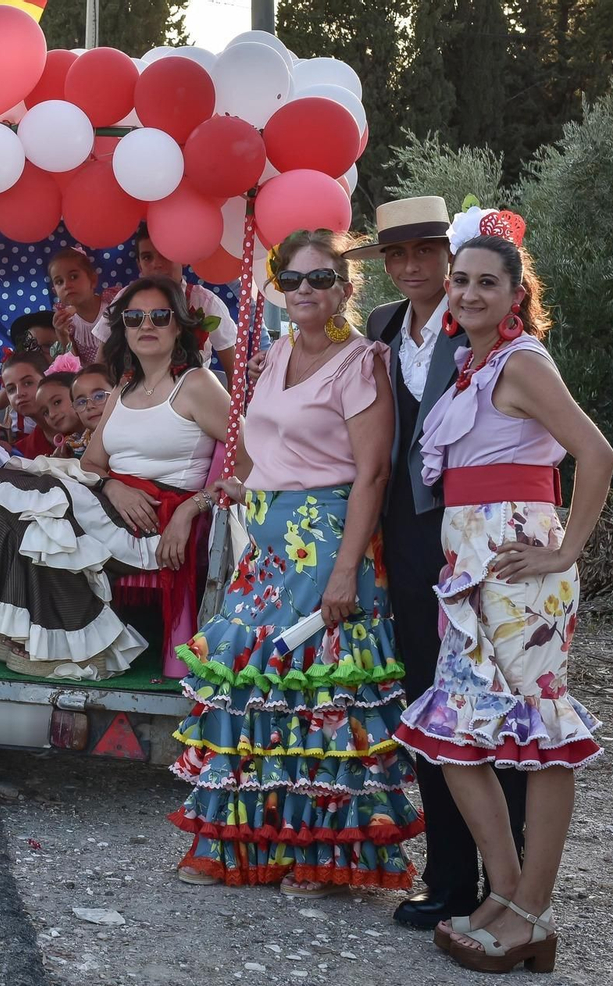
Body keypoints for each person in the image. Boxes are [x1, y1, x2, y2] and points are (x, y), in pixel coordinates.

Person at [393, 212, 613, 975]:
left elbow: (597, 452)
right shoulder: (469, 365)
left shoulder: (522, 362)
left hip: (521, 567)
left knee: (541, 737)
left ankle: (527, 911)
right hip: (468, 566)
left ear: (516, 294)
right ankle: (510, 893)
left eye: (489, 281)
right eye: (462, 280)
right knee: (459, 732)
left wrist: (566, 551)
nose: (471, 292)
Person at [169, 230, 419, 896]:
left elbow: (370, 476)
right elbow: (265, 447)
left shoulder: (362, 363)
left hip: (329, 542)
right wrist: (243, 485)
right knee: (250, 672)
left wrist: (345, 571)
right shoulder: (273, 353)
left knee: (320, 690)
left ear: (343, 287)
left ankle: (324, 855)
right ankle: (252, 844)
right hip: (269, 543)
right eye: (293, 279)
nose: (305, 290)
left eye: (320, 279)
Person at [341, 196, 529, 931]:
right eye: (398, 255)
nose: (413, 267)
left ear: (451, 261)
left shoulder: (491, 329)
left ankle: (501, 882)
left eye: (427, 253)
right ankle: (447, 875)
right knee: (431, 703)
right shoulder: (383, 328)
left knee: (492, 704)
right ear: (386, 266)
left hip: (478, 536)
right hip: (409, 539)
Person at [0, 279, 230, 680]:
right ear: (124, 329)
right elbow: (92, 463)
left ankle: (80, 646)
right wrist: (113, 485)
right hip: (114, 499)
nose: (147, 324)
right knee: (5, 490)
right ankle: (30, 637)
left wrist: (190, 511)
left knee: (32, 502)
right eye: (134, 317)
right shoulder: (124, 388)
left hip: (157, 516)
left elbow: (247, 462)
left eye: (159, 316)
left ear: (177, 326)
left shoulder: (197, 383)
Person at [125, 222, 239, 376]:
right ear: (139, 265)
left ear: (183, 257)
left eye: (165, 254)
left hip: (196, 395)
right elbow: (103, 362)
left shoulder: (206, 303)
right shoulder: (124, 300)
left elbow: (233, 373)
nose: (157, 264)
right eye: (147, 257)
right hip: (137, 394)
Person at [48, 247, 116, 364]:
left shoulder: (111, 305)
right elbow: (72, 364)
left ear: (93, 280)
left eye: (73, 277)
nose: (66, 285)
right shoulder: (68, 322)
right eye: (59, 282)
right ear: (55, 291)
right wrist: (62, 335)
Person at [0, 349, 53, 457]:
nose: (19, 393)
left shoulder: (80, 430)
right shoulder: (23, 451)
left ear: (48, 380)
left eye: (28, 383)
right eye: (11, 389)